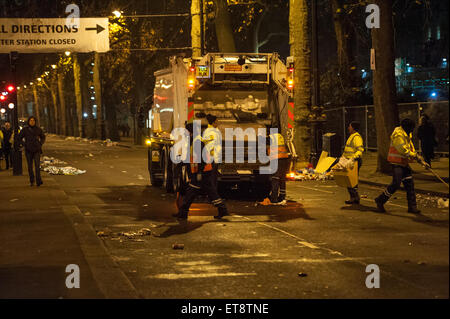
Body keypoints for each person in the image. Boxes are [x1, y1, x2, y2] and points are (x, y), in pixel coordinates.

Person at [172, 123, 228, 220]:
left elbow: (202, 159)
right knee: (210, 192)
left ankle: (183, 213)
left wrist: (199, 173)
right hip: (202, 172)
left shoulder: (197, 141)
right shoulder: (194, 140)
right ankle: (222, 209)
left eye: (187, 131)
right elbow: (190, 157)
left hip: (202, 172)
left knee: (191, 192)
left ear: (191, 131)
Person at [374, 118, 426, 214]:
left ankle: (412, 207)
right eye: (411, 128)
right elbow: (403, 150)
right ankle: (380, 200)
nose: (412, 130)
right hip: (396, 164)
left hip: (404, 164)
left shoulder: (406, 134)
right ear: (406, 127)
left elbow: (411, 149)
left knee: (410, 185)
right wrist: (416, 156)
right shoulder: (398, 135)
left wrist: (421, 161)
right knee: (396, 184)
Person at [17, 116, 46, 186]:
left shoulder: (38, 129)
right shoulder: (25, 129)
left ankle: (38, 181)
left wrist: (40, 143)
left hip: (37, 149)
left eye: (33, 121)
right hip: (28, 150)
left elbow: (43, 137)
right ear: (28, 122)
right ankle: (32, 180)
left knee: (37, 166)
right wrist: (24, 144)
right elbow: (19, 138)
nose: (32, 122)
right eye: (31, 120)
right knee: (30, 167)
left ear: (35, 122)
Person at [265, 130, 290, 205]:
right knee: (282, 179)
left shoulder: (270, 139)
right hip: (284, 160)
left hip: (276, 160)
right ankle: (282, 196)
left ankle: (274, 198)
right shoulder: (279, 137)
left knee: (275, 179)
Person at [342, 121, 365, 204]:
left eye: (350, 126)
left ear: (353, 128)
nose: (348, 128)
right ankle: (354, 197)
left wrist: (353, 158)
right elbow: (348, 149)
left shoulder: (357, 137)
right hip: (349, 161)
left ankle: (355, 197)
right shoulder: (352, 136)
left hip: (354, 161)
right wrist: (343, 157)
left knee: (351, 180)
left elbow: (360, 150)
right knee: (349, 180)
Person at [203, 114, 222, 186]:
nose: (218, 122)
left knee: (212, 178)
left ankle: (213, 195)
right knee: (213, 179)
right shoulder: (212, 133)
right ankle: (213, 195)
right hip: (213, 159)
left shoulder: (211, 131)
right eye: (217, 121)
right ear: (213, 123)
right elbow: (211, 147)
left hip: (212, 158)